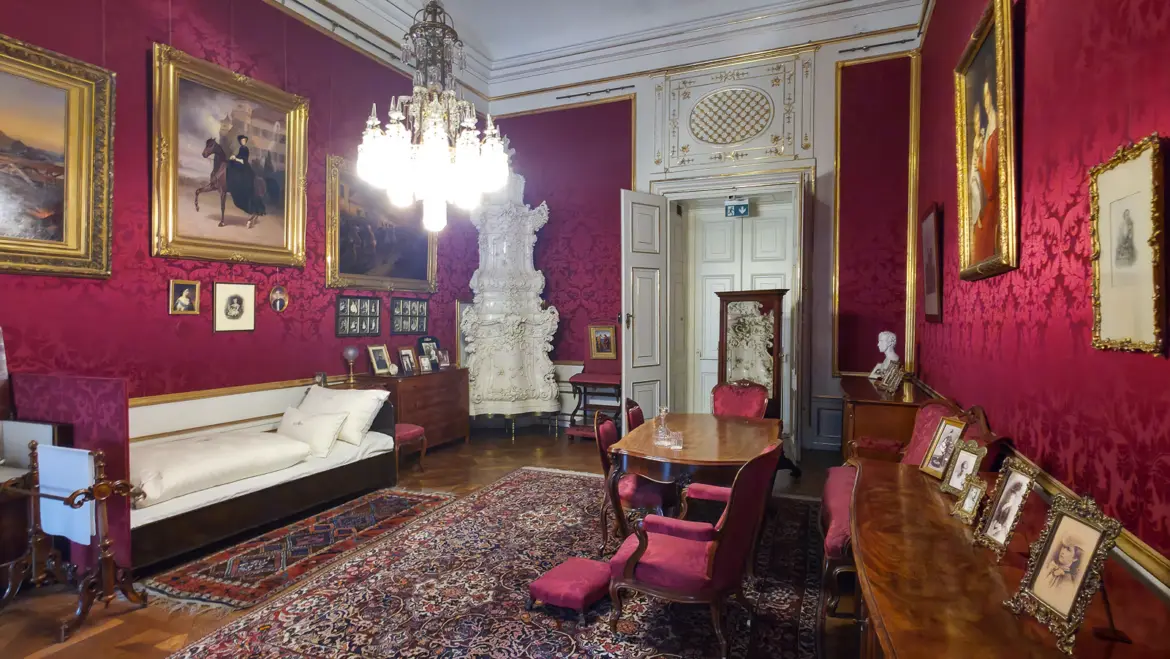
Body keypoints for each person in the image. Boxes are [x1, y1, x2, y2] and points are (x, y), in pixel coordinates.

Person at [971, 78, 1000, 263]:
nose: (986, 99)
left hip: (994, 202)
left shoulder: (995, 131)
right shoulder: (988, 128)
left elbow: (990, 186)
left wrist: (979, 167)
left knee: (982, 239)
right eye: (985, 95)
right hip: (989, 200)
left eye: (989, 94)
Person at [227, 135, 265, 217]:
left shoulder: (245, 149)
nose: (243, 141)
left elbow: (244, 160)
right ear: (240, 142)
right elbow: (238, 156)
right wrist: (233, 157)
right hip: (239, 163)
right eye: (242, 140)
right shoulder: (241, 148)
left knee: (243, 175)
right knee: (230, 164)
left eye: (244, 140)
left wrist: (236, 159)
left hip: (244, 165)